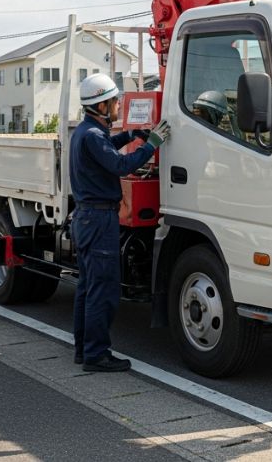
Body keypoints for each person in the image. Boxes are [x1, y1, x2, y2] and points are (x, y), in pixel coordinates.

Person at [70, 74, 170, 373]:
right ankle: (97, 356)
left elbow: (107, 147)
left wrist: (130, 136)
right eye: (115, 101)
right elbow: (120, 164)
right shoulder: (92, 136)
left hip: (88, 218)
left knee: (88, 288)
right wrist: (151, 143)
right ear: (101, 104)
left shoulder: (87, 132)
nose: (119, 106)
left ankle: (83, 350)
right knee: (103, 291)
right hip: (99, 220)